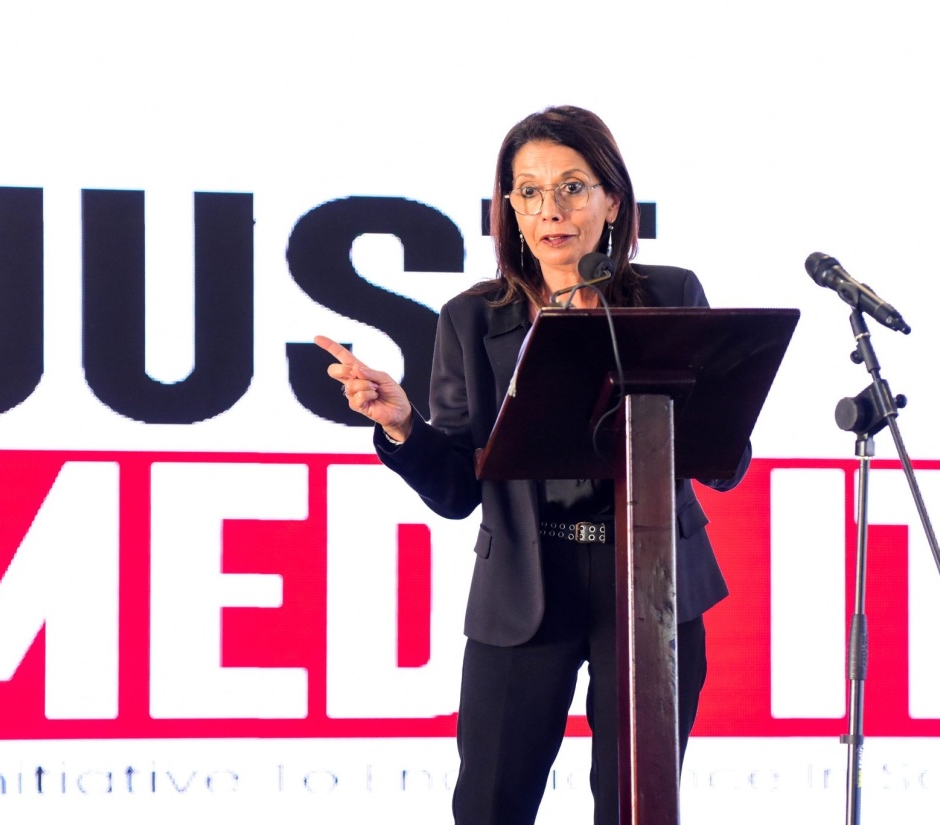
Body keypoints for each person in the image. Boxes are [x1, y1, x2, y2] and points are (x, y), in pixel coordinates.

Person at [314, 105, 750, 825]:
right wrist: (401, 426)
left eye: (574, 187)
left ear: (613, 200)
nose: (552, 209)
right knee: (488, 806)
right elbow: (459, 489)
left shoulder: (671, 296)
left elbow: (725, 461)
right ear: (510, 210)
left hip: (651, 585)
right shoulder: (470, 319)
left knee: (636, 809)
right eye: (530, 191)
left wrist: (719, 409)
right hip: (525, 581)